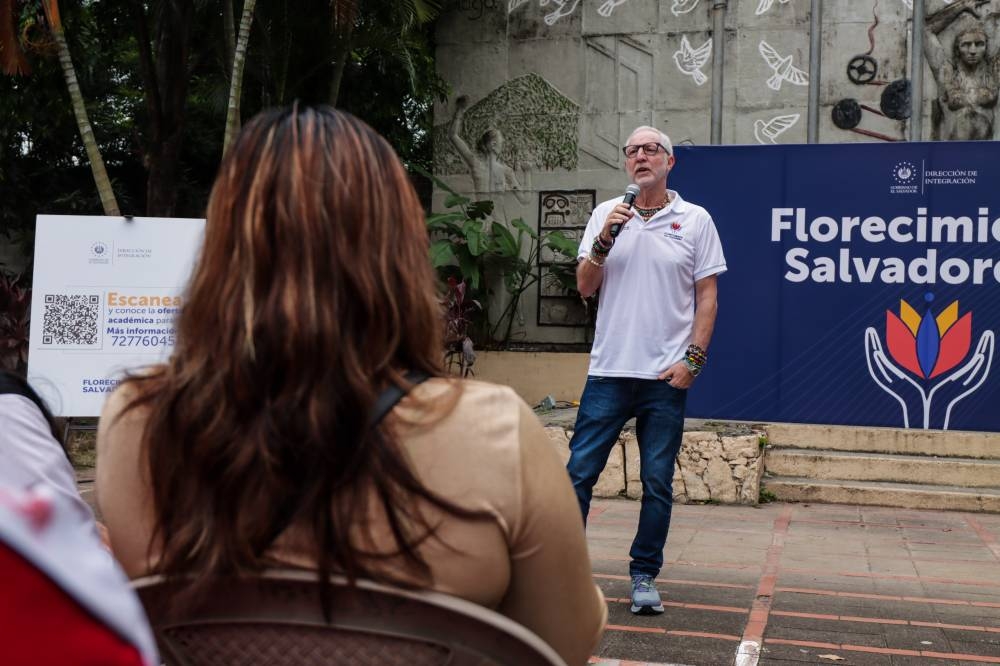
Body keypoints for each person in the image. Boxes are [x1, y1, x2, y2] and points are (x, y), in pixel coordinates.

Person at [96, 105, 605, 665]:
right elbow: (566, 643)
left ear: (223, 250)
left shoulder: (139, 418)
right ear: (400, 251)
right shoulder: (495, 432)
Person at [566, 126, 726, 615]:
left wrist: (693, 361)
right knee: (576, 475)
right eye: (631, 149)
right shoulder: (604, 215)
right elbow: (585, 287)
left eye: (650, 149)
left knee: (656, 483)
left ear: (669, 162)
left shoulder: (695, 220)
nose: (640, 156)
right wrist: (605, 240)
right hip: (609, 371)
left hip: (663, 378)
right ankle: (561, 572)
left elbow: (708, 298)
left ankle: (643, 576)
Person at [923, 0, 1000, 140]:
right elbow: (926, 32)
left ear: (986, 47)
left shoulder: (993, 72)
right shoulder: (947, 73)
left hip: (988, 152)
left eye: (979, 44)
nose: (972, 51)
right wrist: (962, 6)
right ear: (958, 49)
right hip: (952, 151)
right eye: (966, 45)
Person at [448, 95, 529, 203]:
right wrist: (527, 172)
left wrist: (460, 111)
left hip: (483, 219)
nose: (503, 144)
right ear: (493, 144)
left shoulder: (478, 165)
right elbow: (525, 199)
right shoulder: (504, 171)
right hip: (494, 220)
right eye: (502, 142)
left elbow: (453, 136)